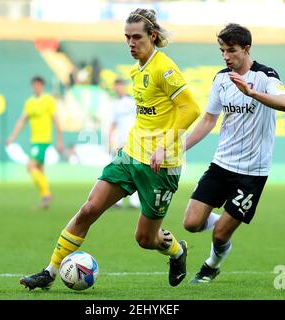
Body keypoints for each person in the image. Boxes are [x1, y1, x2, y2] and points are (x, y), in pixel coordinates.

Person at [19, 8, 200, 290]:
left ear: (152, 36)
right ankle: (50, 271)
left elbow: (191, 108)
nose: (130, 43)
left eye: (136, 37)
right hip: (131, 155)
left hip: (161, 166)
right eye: (127, 37)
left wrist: (164, 147)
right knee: (89, 209)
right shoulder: (136, 69)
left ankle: (177, 251)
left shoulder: (164, 68)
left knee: (145, 239)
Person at [182, 23, 285, 283]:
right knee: (191, 223)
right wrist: (179, 148)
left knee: (220, 236)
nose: (226, 56)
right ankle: (231, 217)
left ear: (247, 49)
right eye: (222, 51)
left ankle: (211, 265)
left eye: (231, 51)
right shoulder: (221, 79)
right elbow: (209, 120)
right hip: (222, 164)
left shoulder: (266, 76)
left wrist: (252, 92)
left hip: (253, 172)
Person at [6, 76, 64, 209]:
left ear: (42, 86)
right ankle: (44, 199)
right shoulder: (30, 102)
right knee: (39, 170)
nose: (36, 87)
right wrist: (12, 137)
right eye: (34, 85)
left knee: (30, 166)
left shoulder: (48, 100)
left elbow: (56, 120)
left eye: (39, 85)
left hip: (43, 141)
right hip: (34, 141)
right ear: (32, 86)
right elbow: (22, 121)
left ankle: (47, 194)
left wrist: (59, 139)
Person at [108, 78, 140, 209]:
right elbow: (113, 124)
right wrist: (110, 139)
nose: (118, 88)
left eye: (120, 86)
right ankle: (117, 201)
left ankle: (135, 202)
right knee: (118, 170)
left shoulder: (133, 102)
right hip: (119, 141)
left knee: (134, 170)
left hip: (133, 140)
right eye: (116, 86)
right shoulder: (114, 104)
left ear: (124, 87)